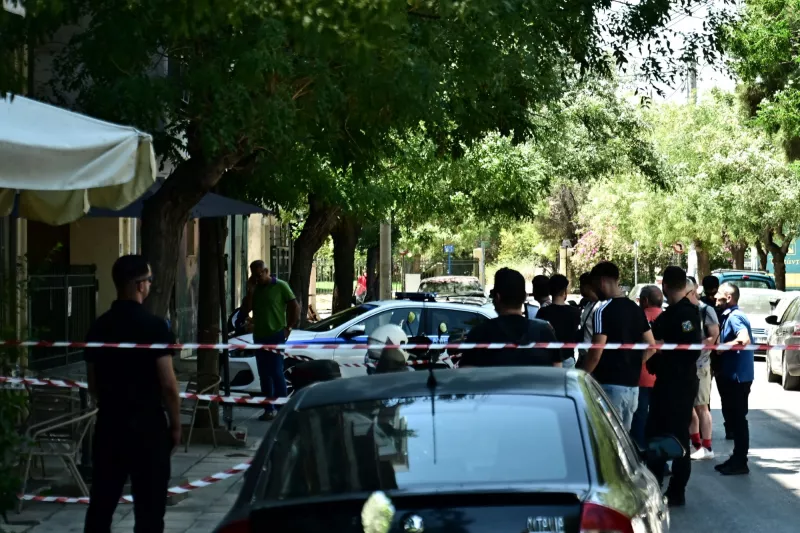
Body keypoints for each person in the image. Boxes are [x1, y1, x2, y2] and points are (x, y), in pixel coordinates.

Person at [83, 255, 180, 533]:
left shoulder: (99, 327)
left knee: (101, 505)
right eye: (149, 280)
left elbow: (93, 383)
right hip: (148, 428)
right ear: (139, 285)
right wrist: (175, 425)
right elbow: (168, 384)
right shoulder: (155, 327)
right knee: (150, 510)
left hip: (110, 425)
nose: (150, 285)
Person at [646, 266, 702, 507]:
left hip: (678, 383)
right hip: (666, 381)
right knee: (656, 434)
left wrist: (662, 347)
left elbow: (690, 349)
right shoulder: (671, 314)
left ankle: (677, 490)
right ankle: (654, 485)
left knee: (678, 438)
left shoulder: (686, 314)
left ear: (665, 286)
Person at [584, 262, 656, 430]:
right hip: (632, 387)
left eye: (594, 285)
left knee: (607, 436)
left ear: (602, 282)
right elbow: (652, 346)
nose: (594, 290)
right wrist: (634, 363)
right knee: (623, 437)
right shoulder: (636, 309)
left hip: (609, 386)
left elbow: (595, 354)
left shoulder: (602, 311)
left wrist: (581, 376)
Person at [459, 268, 561, 368]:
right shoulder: (544, 332)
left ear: (497, 297)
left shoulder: (479, 333)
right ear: (524, 297)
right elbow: (558, 370)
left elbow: (466, 373)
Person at [241, 260, 301, 421]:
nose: (257, 278)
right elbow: (246, 309)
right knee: (264, 374)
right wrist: (250, 290)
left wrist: (289, 327)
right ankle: (269, 408)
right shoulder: (256, 289)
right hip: (259, 336)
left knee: (276, 371)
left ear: (267, 271)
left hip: (276, 335)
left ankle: (282, 408)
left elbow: (295, 306)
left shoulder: (280, 286)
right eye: (254, 275)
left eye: (259, 274)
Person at [714, 282, 754, 475]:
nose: (715, 297)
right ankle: (737, 457)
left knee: (738, 420)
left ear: (728, 297)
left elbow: (744, 339)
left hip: (738, 377)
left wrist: (723, 347)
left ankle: (740, 461)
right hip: (733, 376)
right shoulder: (729, 316)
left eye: (719, 294)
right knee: (734, 419)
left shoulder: (735, 317)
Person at [684, 278, 720, 460]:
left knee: (701, 407)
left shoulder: (706, 310)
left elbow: (713, 336)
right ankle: (697, 445)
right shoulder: (685, 311)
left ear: (692, 292)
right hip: (687, 365)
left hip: (701, 365)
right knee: (689, 407)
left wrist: (694, 347)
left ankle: (707, 447)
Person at [630, 284, 663, 449]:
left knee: (640, 416)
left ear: (644, 300)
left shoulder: (637, 317)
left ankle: (639, 450)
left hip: (640, 375)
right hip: (662, 376)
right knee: (659, 417)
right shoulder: (668, 317)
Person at [536, 274, 581, 368]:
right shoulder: (575, 312)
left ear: (550, 291)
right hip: (568, 358)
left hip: (549, 360)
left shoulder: (543, 312)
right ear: (565, 291)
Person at [577, 272, 599, 368]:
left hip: (591, 355)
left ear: (587, 287)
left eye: (581, 286)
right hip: (583, 355)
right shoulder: (589, 304)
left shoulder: (599, 306)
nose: (580, 289)